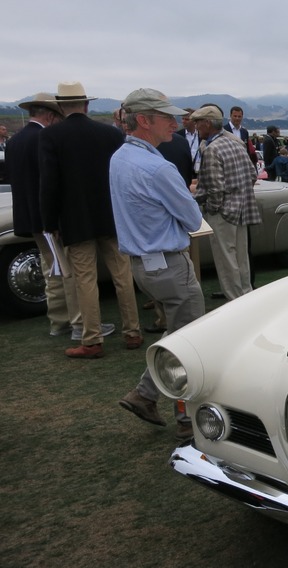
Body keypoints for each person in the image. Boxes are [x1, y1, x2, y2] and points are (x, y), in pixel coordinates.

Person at [110, 89, 205, 438]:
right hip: (168, 265)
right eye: (167, 117)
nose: (176, 123)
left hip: (142, 266)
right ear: (144, 121)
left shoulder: (119, 158)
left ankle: (146, 394)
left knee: (177, 334)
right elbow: (193, 220)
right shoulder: (157, 167)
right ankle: (186, 419)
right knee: (189, 342)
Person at [40, 81, 142, 358]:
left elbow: (49, 184)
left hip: (75, 220)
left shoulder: (51, 136)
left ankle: (93, 339)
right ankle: (133, 331)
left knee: (85, 280)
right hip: (111, 216)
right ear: (86, 105)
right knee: (123, 275)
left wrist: (50, 222)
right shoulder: (109, 134)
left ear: (60, 106)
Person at [8, 92, 93, 340]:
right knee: (68, 272)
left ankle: (58, 321)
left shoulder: (15, 141)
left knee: (52, 271)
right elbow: (52, 182)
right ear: (49, 115)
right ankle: (78, 324)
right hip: (51, 219)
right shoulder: (45, 138)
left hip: (30, 218)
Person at [190, 104, 260, 300]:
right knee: (241, 259)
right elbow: (253, 175)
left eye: (198, 123)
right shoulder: (236, 143)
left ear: (206, 123)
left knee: (226, 261)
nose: (196, 127)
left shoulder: (212, 149)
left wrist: (212, 209)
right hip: (241, 209)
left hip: (223, 213)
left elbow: (215, 189)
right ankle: (247, 297)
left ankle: (234, 303)